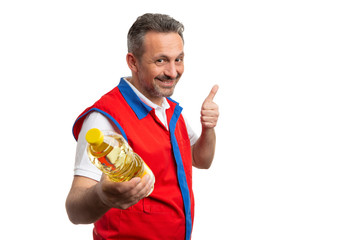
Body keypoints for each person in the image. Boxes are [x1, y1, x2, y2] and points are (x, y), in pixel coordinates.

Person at [66, 13, 219, 240]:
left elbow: (201, 160)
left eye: (178, 59)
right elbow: (74, 210)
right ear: (133, 62)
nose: (173, 72)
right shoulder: (104, 119)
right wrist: (102, 196)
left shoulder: (172, 110)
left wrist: (209, 128)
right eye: (161, 60)